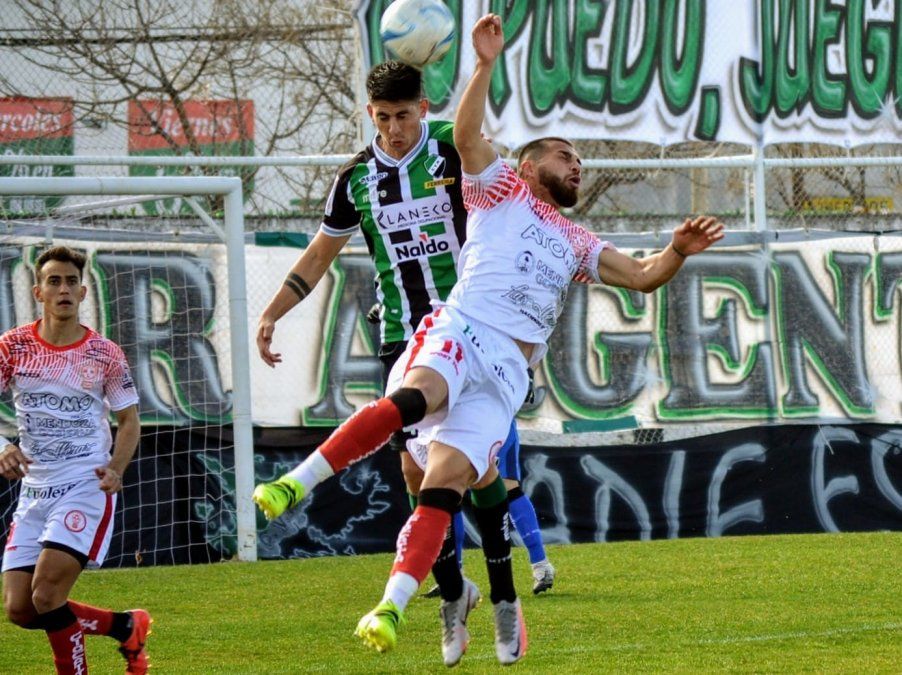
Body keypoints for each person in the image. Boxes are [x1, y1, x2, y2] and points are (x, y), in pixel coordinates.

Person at [259, 12, 724, 666]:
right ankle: (380, 561)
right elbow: (468, 135)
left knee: (471, 480)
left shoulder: (578, 240)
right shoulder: (497, 186)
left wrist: (677, 249)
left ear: (418, 109)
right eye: (566, 155)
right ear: (528, 166)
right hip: (446, 327)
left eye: (580, 159)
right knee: (419, 452)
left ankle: (501, 597)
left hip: (507, 368)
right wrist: (482, 64)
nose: (578, 164)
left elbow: (644, 276)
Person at [0, 246, 150, 674]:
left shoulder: (103, 353)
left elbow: (129, 420)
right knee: (20, 609)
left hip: (86, 483)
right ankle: (125, 626)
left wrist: (117, 469)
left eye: (70, 282)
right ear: (38, 292)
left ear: (83, 292)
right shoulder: (12, 347)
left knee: (46, 596)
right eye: (54, 281)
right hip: (34, 488)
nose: (63, 289)